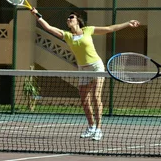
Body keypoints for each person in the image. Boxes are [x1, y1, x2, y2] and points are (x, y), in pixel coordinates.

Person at [31, 8, 140, 141]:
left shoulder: (88, 30)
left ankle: (99, 129)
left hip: (96, 66)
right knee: (84, 99)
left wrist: (127, 23)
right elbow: (48, 28)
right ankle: (91, 126)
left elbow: (109, 28)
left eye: (71, 17)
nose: (68, 19)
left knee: (95, 96)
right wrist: (37, 15)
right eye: (68, 18)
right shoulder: (67, 35)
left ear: (77, 21)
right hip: (82, 68)